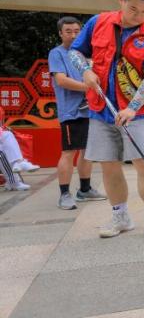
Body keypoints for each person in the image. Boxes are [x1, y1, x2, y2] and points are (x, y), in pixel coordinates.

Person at [68, 0, 144, 239]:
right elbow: (74, 53)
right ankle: (121, 216)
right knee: (109, 165)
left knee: (143, 163)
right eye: (133, 9)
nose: (139, 16)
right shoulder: (97, 23)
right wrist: (86, 71)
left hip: (135, 114)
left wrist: (132, 109)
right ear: (121, 0)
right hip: (100, 110)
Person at [49, 16, 106, 210]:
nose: (73, 35)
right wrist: (88, 87)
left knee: (87, 152)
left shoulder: (84, 54)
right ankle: (64, 194)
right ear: (60, 33)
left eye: (76, 31)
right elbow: (61, 80)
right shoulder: (57, 53)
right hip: (71, 112)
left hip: (90, 111)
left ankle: (85, 189)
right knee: (68, 152)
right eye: (68, 31)